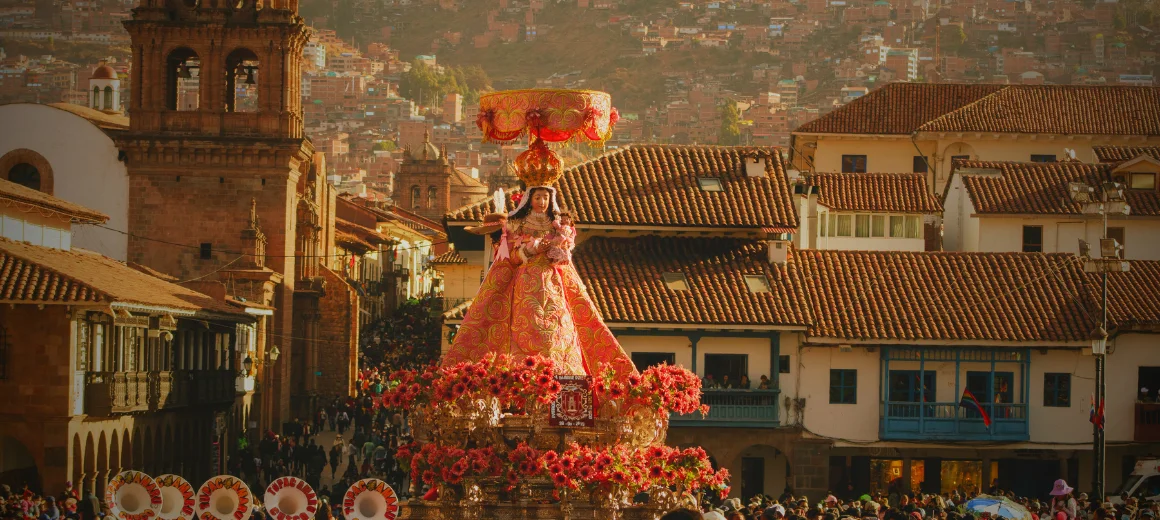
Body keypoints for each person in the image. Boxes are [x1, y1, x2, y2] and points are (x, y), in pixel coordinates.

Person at [441, 186, 636, 377]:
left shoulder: (558, 225)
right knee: (525, 326)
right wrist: (531, 250)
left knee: (558, 326)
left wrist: (556, 251)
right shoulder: (518, 224)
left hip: (553, 283)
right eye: (538, 197)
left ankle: (559, 370)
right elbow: (511, 257)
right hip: (525, 283)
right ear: (529, 199)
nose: (542, 202)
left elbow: (564, 257)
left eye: (545, 198)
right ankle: (523, 370)